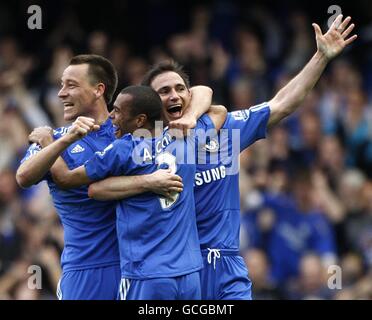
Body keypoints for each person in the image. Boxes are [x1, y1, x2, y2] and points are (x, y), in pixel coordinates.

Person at [86, 14, 357, 300]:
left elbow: (280, 105)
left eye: (180, 89)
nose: (174, 95)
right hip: (176, 272)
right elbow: (94, 187)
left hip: (227, 266)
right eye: (163, 92)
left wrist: (321, 58)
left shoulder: (220, 131)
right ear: (150, 106)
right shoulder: (136, 147)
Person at [15, 55, 190, 300]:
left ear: (99, 90)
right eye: (61, 85)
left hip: (140, 266)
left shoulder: (130, 127)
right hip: (86, 269)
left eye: (71, 85)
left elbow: (204, 98)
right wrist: (60, 141)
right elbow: (23, 177)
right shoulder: (55, 138)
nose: (61, 93)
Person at [29, 85, 225, 300]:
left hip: (146, 274)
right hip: (189, 275)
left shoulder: (124, 149)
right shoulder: (186, 138)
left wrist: (49, 142)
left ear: (140, 121)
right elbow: (217, 108)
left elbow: (69, 180)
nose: (112, 116)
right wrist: (191, 117)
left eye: (118, 111)